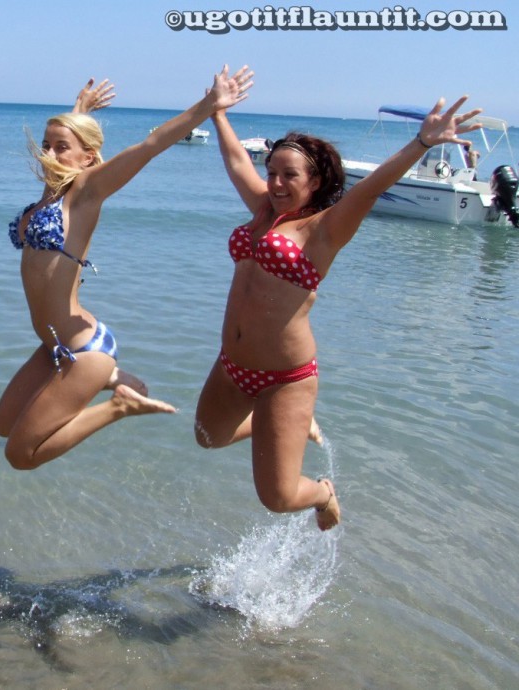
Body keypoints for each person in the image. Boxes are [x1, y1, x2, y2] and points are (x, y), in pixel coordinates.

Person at [194, 66, 481, 531]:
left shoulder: (324, 230)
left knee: (280, 497)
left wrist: (423, 144)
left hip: (285, 376)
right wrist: (218, 112)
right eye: (272, 173)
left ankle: (323, 492)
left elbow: (373, 188)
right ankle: (291, 429)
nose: (276, 183)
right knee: (208, 436)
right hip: (232, 363)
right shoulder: (263, 211)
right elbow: (235, 162)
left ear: (315, 181)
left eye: (289, 175)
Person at [0, 66, 253, 470]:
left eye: (60, 147)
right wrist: (79, 109)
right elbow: (65, 151)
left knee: (20, 455)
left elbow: (149, 145)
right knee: (3, 424)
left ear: (90, 159)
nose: (48, 153)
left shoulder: (84, 193)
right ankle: (112, 381)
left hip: (82, 349)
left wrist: (208, 106)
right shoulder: (50, 195)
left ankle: (118, 404)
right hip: (53, 345)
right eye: (46, 145)